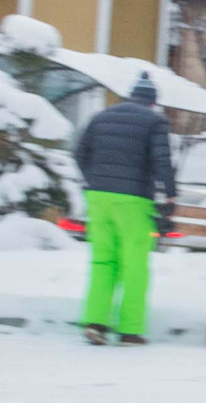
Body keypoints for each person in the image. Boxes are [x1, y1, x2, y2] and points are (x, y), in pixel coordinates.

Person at [72, 73, 176, 346]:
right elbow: (162, 160)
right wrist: (170, 195)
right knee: (134, 265)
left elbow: (79, 153)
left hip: (98, 199)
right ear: (153, 103)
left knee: (103, 262)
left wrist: (95, 180)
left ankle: (96, 323)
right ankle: (130, 329)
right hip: (134, 201)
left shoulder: (101, 117)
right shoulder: (156, 122)